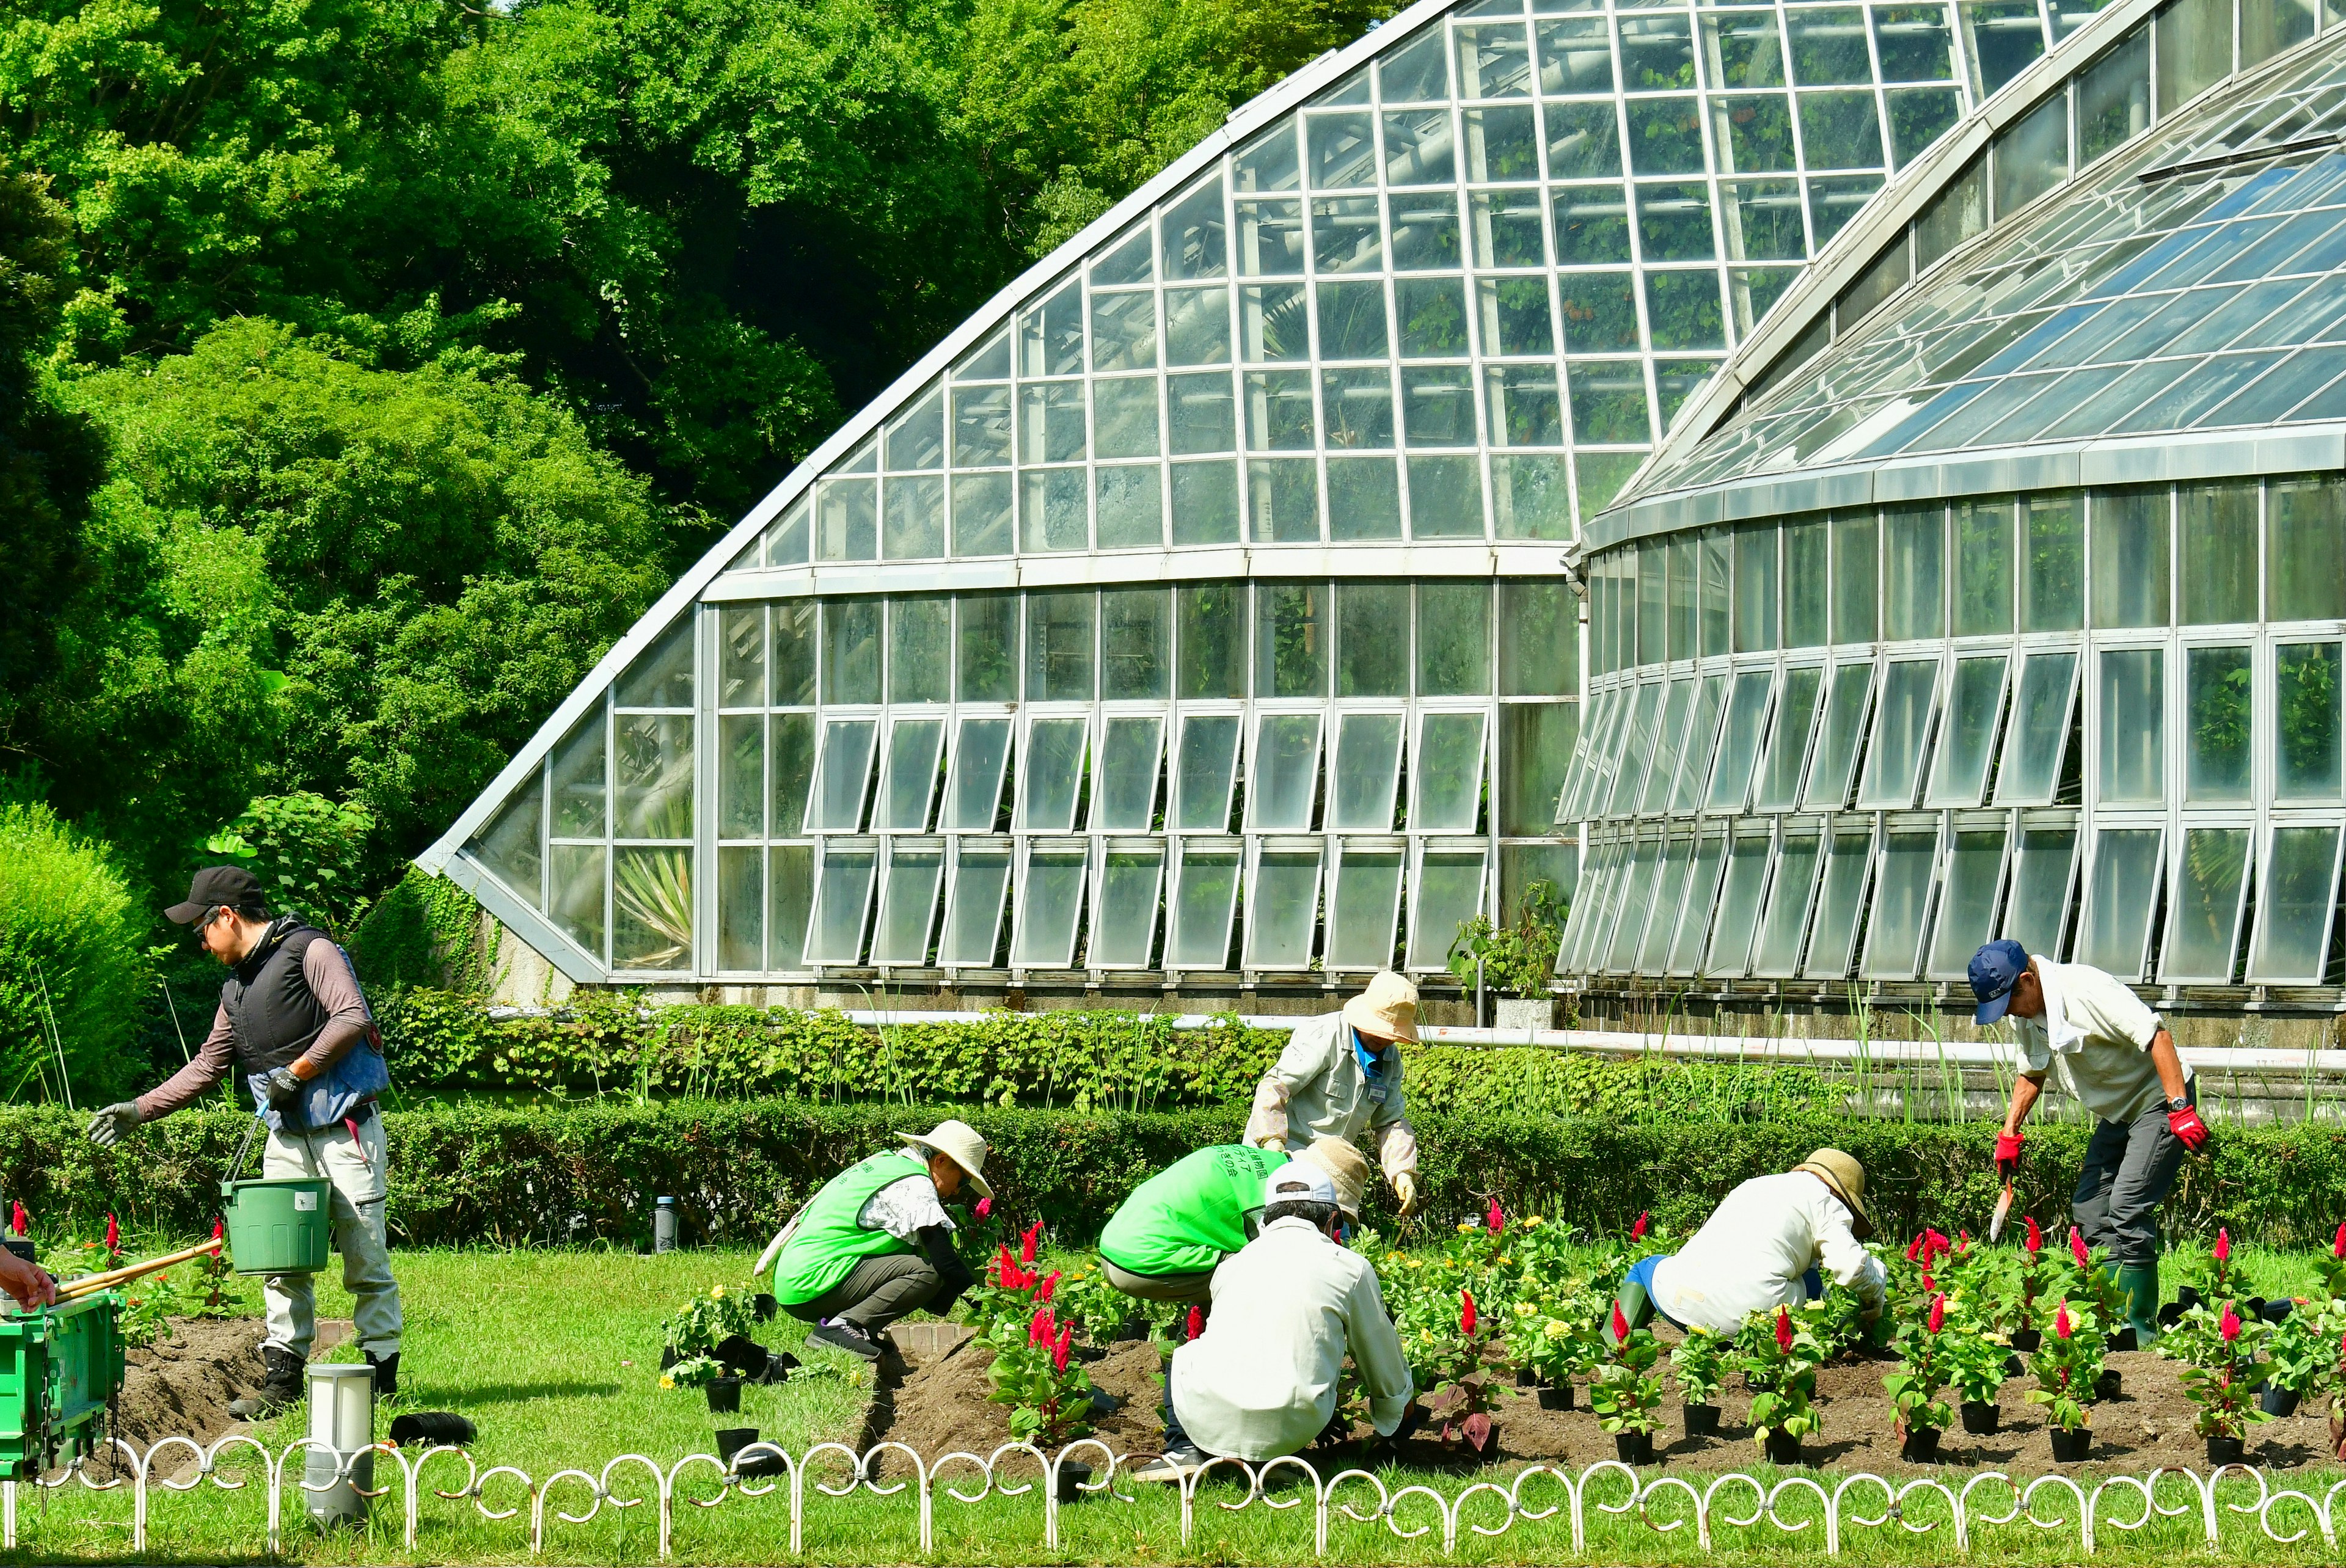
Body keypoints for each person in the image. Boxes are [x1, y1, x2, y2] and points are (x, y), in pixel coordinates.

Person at [86, 866, 402, 1418]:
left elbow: (352, 1014)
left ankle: (381, 1377)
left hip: (345, 1131)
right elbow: (208, 1065)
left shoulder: (312, 950)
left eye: (202, 930)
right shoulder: (235, 990)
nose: (202, 943)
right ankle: (282, 1383)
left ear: (226, 916)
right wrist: (140, 1109)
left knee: (365, 1255)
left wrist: (297, 1070)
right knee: (281, 1259)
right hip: (287, 1139)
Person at [1970, 938, 2205, 1347]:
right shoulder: (2025, 1013)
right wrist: (2010, 1131)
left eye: (2008, 1001)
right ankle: (2116, 1320)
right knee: (2091, 1207)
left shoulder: (2087, 990)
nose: (2006, 1011)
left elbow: (2158, 1037)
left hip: (2159, 1099)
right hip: (2118, 1110)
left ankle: (2141, 1328)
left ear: (2028, 979)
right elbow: (2033, 1071)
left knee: (2128, 1205)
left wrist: (2180, 1107)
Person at [1135, 1161, 1412, 1481]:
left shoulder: (1233, 1265)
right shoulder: (1349, 1267)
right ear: (1332, 1220)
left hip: (1208, 1416)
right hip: (1294, 1423)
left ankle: (1184, 1449)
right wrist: (1395, 1410)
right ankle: (1273, 1458)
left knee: (1186, 1352)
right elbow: (1376, 1348)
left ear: (1267, 1217)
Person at [762, 1120, 990, 1362]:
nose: (957, 1191)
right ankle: (841, 1328)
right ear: (941, 1161)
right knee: (927, 1273)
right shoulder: (916, 1184)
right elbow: (944, 1260)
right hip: (810, 1281)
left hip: (799, 1278)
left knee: (915, 1259)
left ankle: (858, 1330)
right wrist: (990, 1310)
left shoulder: (890, 1164)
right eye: (963, 1181)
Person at [1612, 1149, 1885, 1339]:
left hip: (1681, 1301)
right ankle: (1783, 1357)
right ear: (1842, 1196)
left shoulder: (1755, 1185)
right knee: (1811, 1281)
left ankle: (1612, 1348)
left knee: (1644, 1268)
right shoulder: (1827, 1202)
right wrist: (1874, 1297)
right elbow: (1851, 1269)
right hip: (1751, 1323)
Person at [1100, 1137, 1368, 1304]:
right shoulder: (1278, 1197)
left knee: (1226, 1281)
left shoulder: (1264, 1164)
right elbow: (1296, 1267)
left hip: (1116, 1245)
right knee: (1267, 1282)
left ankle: (1183, 1377)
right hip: (1140, 1263)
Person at [1244, 971, 1423, 1219]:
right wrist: (1272, 1142)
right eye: (1380, 1029)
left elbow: (1391, 1122)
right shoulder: (1323, 1035)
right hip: (1283, 1155)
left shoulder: (1391, 1060)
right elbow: (1274, 1087)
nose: (1385, 1038)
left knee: (1335, 1241)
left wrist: (1403, 1172)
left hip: (1330, 1170)